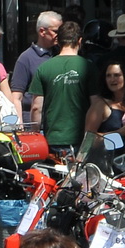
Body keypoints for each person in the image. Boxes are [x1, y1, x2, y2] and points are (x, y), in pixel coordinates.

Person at [31, 19, 90, 153]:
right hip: (81, 139)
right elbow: (96, 103)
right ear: (80, 41)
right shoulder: (88, 67)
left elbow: (36, 108)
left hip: (52, 139)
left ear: (58, 41)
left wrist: (36, 135)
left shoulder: (43, 68)